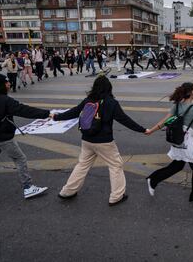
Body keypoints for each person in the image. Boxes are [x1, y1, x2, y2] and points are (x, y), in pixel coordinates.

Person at [52, 75, 148, 206]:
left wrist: (57, 117)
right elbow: (125, 120)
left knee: (82, 165)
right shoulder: (111, 103)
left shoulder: (88, 100)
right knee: (115, 165)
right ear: (109, 88)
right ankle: (116, 196)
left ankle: (67, 191)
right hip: (104, 142)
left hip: (87, 140)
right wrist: (142, 130)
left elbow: (73, 112)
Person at [0, 73, 49, 199]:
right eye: (7, 82)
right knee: (20, 159)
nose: (9, 84)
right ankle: (28, 187)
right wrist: (46, 113)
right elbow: (24, 110)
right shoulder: (5, 100)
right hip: (3, 137)